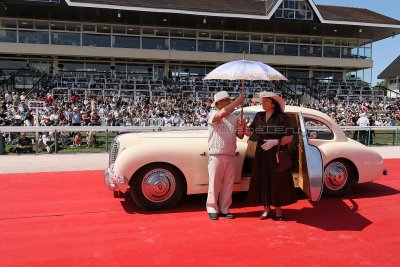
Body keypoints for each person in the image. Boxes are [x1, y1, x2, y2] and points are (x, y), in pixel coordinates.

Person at [243, 91, 297, 220]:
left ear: (273, 103)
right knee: (263, 179)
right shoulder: (259, 116)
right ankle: (266, 208)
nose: (263, 103)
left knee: (278, 179)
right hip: (262, 151)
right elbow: (249, 133)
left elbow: (289, 137)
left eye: (266, 101)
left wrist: (275, 142)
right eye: (263, 101)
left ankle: (278, 209)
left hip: (277, 151)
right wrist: (244, 126)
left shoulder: (282, 117)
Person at [206, 91, 245, 220]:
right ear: (218, 103)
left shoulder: (234, 117)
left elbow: (240, 136)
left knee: (228, 184)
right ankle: (212, 208)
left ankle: (224, 208)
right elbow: (220, 115)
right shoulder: (212, 114)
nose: (229, 101)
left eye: (229, 100)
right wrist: (236, 103)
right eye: (226, 100)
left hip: (230, 154)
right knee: (215, 183)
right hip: (216, 154)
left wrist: (242, 127)